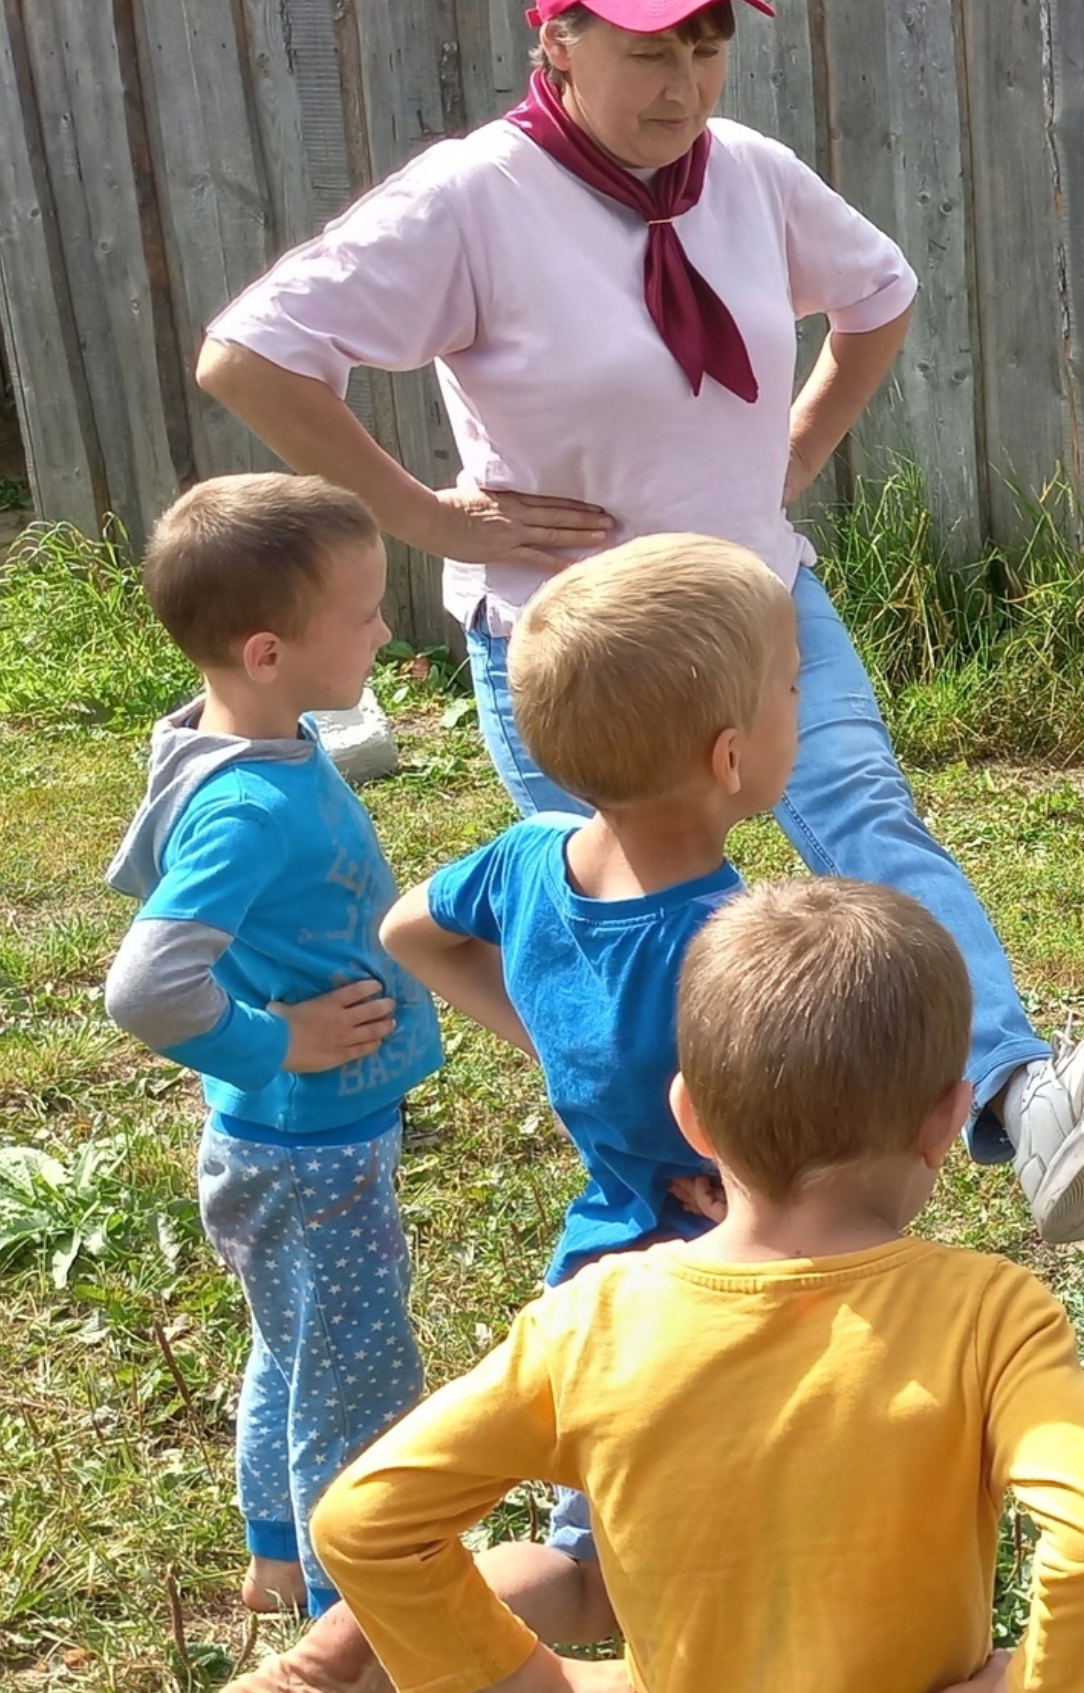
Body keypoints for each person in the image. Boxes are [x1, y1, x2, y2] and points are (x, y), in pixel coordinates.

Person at [194, 0, 1084, 1250]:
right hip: (584, 644)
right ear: (555, 36)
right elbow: (250, 351)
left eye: (707, 42)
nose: (684, 81)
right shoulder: (475, 198)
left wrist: (793, 449)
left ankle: (1019, 1103)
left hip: (760, 602)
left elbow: (877, 297)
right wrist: (427, 517)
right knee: (656, 928)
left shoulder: (750, 175)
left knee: (866, 824)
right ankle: (700, 1219)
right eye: (647, 46)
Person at [311, 878, 1084, 1693]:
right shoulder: (990, 1315)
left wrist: (526, 1677)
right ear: (946, 1119)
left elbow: (364, 1525)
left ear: (688, 1117)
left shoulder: (590, 1324)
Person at [373, 532, 798, 1653]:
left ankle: (368, 1640)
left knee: (582, 1565)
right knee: (723, 1564)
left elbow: (407, 929)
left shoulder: (529, 857)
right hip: (709, 1303)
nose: (799, 704)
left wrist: (553, 1042)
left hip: (592, 1280)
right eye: (791, 688)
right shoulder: (728, 940)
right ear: (728, 754)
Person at [101, 474, 441, 1622]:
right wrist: (277, 1039)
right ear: (264, 650)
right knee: (359, 1380)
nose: (386, 630)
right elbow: (147, 986)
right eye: (363, 614)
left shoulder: (248, 743)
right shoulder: (249, 807)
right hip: (314, 1146)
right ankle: (353, 1621)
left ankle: (277, 1558)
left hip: (292, 1144)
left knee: (293, 1349)